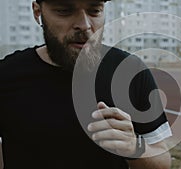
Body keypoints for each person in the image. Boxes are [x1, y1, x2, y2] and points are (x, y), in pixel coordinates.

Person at [0, 0, 172, 168]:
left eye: (94, 11)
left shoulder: (131, 71)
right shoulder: (7, 75)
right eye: (64, 11)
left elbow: (163, 161)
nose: (84, 25)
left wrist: (134, 147)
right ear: (38, 12)